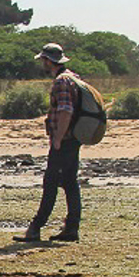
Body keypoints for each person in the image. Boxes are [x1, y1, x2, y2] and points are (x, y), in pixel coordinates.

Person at [21, 43, 84, 243]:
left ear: (49, 61)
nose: (43, 64)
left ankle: (36, 228)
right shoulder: (74, 78)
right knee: (69, 182)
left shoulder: (61, 82)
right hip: (74, 138)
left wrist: (57, 138)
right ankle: (71, 229)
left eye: (44, 60)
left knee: (50, 183)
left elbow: (65, 110)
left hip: (64, 140)